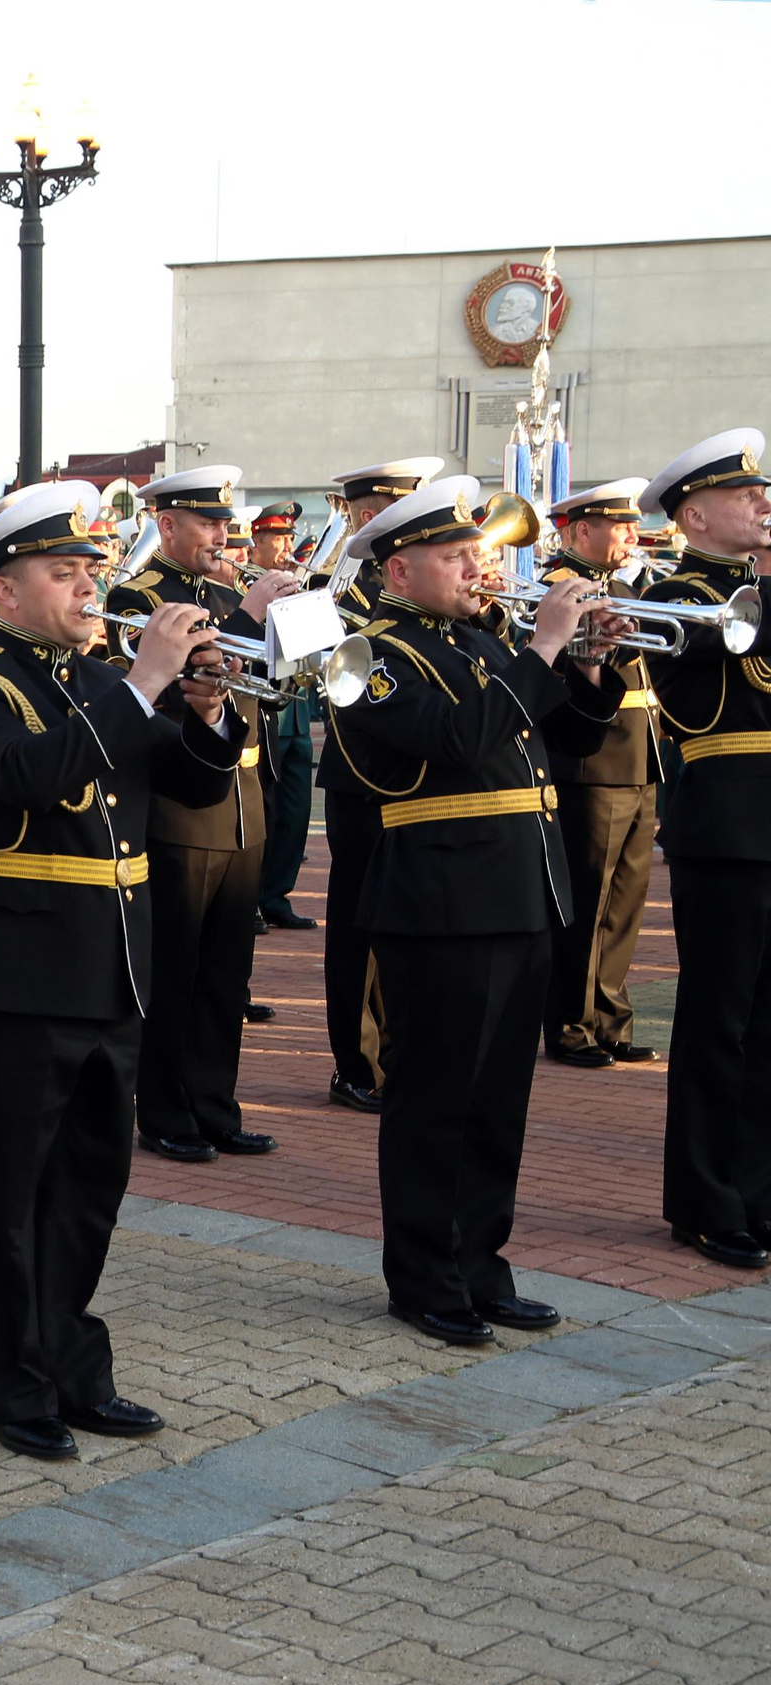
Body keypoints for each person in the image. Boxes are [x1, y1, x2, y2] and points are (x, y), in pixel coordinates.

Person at [0, 480, 240, 1459]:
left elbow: (183, 785)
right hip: (15, 974)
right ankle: (11, 1386)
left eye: (87, 572)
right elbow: (31, 777)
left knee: (89, 1188)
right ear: (5, 593)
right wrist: (142, 685)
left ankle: (74, 1366)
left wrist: (209, 711)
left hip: (113, 969)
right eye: (62, 575)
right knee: (11, 1199)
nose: (83, 590)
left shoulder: (98, 684)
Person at [327, 474, 619, 1343]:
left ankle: (481, 1266)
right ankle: (422, 1278)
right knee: (435, 1099)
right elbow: (458, 740)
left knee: (498, 1100)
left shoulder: (483, 643)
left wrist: (589, 661)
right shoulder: (371, 654)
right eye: (454, 557)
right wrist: (543, 649)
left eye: (474, 555)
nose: (475, 569)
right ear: (398, 571)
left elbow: (570, 737)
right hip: (441, 898)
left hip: (522, 887)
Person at [111, 466, 287, 1163]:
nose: (223, 534)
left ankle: (215, 1106)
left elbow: (275, 685)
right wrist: (248, 617)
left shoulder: (229, 589)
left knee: (226, 973)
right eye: (208, 523)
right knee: (175, 971)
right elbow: (163, 692)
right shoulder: (137, 596)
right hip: (181, 808)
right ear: (169, 525)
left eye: (224, 522)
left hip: (242, 801)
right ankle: (164, 1113)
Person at [643, 431, 771, 1269]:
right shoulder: (678, 595)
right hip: (728, 828)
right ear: (695, 513)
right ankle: (704, 1200)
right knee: (721, 1021)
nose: (765, 503)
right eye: (746, 495)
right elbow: (708, 664)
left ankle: (757, 1194)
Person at [317, 457, 444, 1113]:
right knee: (361, 924)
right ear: (369, 517)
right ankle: (357, 1063)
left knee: (403, 919)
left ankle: (397, 1052)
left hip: (414, 779)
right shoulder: (337, 593)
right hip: (362, 775)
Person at [537, 479, 662, 1070]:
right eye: (621, 525)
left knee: (625, 903)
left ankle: (610, 1019)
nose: (632, 535)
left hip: (637, 758)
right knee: (587, 902)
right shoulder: (558, 590)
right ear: (582, 530)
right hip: (590, 763)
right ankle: (569, 1023)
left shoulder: (623, 587)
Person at [248, 501, 319, 931]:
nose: (287, 546)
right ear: (255, 543)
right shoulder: (248, 588)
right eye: (278, 538)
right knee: (266, 812)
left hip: (296, 710)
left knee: (295, 811)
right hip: (263, 710)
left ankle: (278, 894)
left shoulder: (297, 583)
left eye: (290, 537)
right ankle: (253, 896)